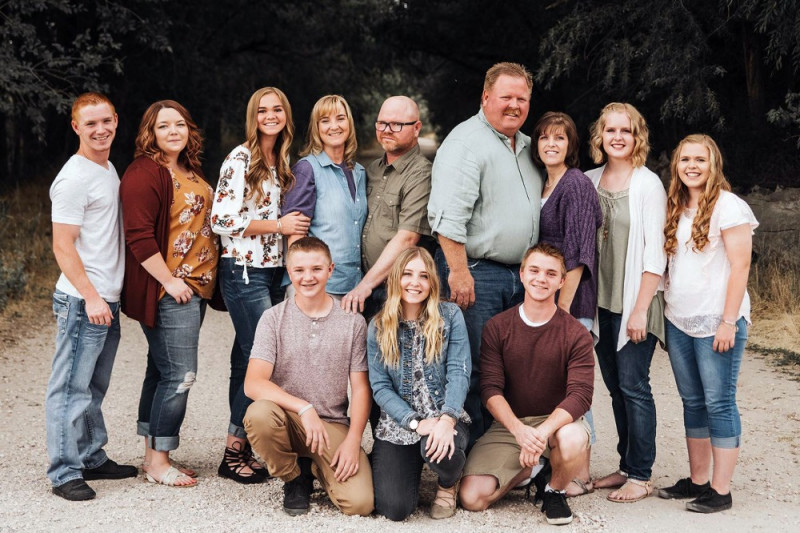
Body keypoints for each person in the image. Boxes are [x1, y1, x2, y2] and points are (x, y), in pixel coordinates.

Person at [428, 62, 543, 447]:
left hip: (522, 276)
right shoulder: (466, 143)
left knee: (514, 369)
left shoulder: (527, 146)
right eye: (506, 97)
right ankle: (473, 458)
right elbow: (447, 218)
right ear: (486, 97)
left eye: (522, 98)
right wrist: (459, 272)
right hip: (477, 272)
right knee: (476, 368)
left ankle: (509, 455)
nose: (514, 105)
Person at [211, 87, 310, 484]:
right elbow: (221, 219)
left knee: (244, 359)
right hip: (243, 270)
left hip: (270, 272)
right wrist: (279, 226)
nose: (271, 116)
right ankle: (233, 452)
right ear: (253, 117)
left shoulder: (280, 161)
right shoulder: (241, 158)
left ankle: (240, 446)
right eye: (263, 110)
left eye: (277, 109)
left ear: (286, 115)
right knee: (264, 359)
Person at [458, 243, 594, 526]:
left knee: (573, 438)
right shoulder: (498, 327)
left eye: (550, 273)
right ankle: (534, 471)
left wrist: (542, 433)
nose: (541, 279)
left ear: (562, 281)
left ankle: (554, 491)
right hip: (511, 425)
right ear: (521, 275)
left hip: (556, 424)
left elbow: (581, 395)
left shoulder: (576, 333)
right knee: (472, 498)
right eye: (534, 271)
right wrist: (520, 432)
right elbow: (490, 389)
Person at [120, 100, 219, 488]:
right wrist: (169, 281)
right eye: (163, 126)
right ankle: (159, 461)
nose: (173, 131)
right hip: (171, 291)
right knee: (180, 375)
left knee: (160, 370)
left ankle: (152, 456)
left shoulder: (189, 169)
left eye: (180, 124)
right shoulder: (144, 172)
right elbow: (138, 236)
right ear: (150, 133)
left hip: (194, 288)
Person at [659, 134, 757, 513]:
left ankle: (721, 490)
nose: (692, 166)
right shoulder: (676, 205)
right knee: (693, 402)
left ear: (713, 164)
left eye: (700, 159)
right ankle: (698, 480)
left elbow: (741, 266)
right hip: (679, 319)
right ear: (676, 165)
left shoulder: (729, 206)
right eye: (685, 159)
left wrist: (728, 321)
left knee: (719, 402)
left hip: (718, 320)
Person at [46, 92, 137, 501]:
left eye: (106, 121)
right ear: (76, 127)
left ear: (116, 120)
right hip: (85, 301)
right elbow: (62, 245)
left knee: (93, 388)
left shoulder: (107, 167)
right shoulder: (74, 178)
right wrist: (92, 297)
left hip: (105, 300)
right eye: (90, 123)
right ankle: (64, 472)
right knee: (70, 389)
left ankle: (90, 457)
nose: (100, 130)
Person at [243, 237, 373, 517]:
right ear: (289, 272)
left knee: (360, 504)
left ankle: (315, 466)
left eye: (316, 269)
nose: (308, 277)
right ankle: (294, 476)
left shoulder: (353, 322)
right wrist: (304, 408)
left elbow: (361, 389)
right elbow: (253, 383)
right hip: (287, 419)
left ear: (330, 269)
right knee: (259, 414)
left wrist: (353, 440)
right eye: (299, 270)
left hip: (331, 425)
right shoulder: (273, 318)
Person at [585, 102, 666, 503]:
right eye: (611, 130)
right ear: (599, 136)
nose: (618, 137)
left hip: (636, 301)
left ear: (638, 137)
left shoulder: (648, 184)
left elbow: (656, 255)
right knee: (616, 389)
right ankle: (625, 465)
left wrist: (640, 310)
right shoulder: (588, 180)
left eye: (626, 130)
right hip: (600, 302)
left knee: (634, 386)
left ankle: (642, 475)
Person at [368, 247, 471, 520]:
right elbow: (380, 387)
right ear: (396, 279)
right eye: (407, 274)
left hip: (444, 416)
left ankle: (448, 483)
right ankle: (398, 463)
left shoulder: (450, 316)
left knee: (437, 450)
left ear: (432, 282)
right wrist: (415, 423)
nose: (415, 282)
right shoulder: (378, 326)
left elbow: (459, 372)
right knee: (395, 509)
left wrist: (447, 420)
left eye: (424, 276)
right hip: (401, 424)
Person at [533, 111, 602, 498]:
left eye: (559, 138)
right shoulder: (544, 182)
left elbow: (578, 256)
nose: (551, 144)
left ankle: (581, 473)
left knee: (576, 387)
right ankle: (559, 464)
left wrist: (561, 312)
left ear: (571, 145)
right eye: (544, 137)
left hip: (571, 303)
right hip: (549, 298)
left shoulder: (575, 184)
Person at [341, 96, 433, 320]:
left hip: (395, 289)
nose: (387, 130)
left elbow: (408, 238)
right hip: (363, 284)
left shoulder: (421, 173)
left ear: (416, 128)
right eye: (382, 123)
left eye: (397, 124)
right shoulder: (372, 169)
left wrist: (365, 285)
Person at [283, 95, 367, 297]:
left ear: (349, 123)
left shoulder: (360, 172)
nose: (334, 126)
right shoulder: (307, 169)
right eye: (325, 121)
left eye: (340, 118)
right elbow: (295, 236)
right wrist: (303, 288)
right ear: (317, 128)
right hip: (318, 287)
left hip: (355, 287)